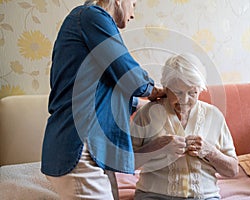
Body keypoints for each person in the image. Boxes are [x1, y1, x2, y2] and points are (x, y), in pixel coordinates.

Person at [41, 0, 164, 199]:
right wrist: (155, 90)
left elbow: (103, 93)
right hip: (78, 149)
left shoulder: (85, 25)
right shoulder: (91, 16)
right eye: (133, 4)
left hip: (82, 150)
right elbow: (129, 76)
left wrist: (152, 104)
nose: (133, 14)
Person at [130, 53, 239, 200]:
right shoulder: (147, 114)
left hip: (205, 197)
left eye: (192, 93)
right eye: (178, 92)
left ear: (200, 90)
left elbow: (233, 170)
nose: (184, 100)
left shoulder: (214, 115)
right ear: (166, 88)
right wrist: (155, 147)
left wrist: (210, 152)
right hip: (154, 195)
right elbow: (127, 164)